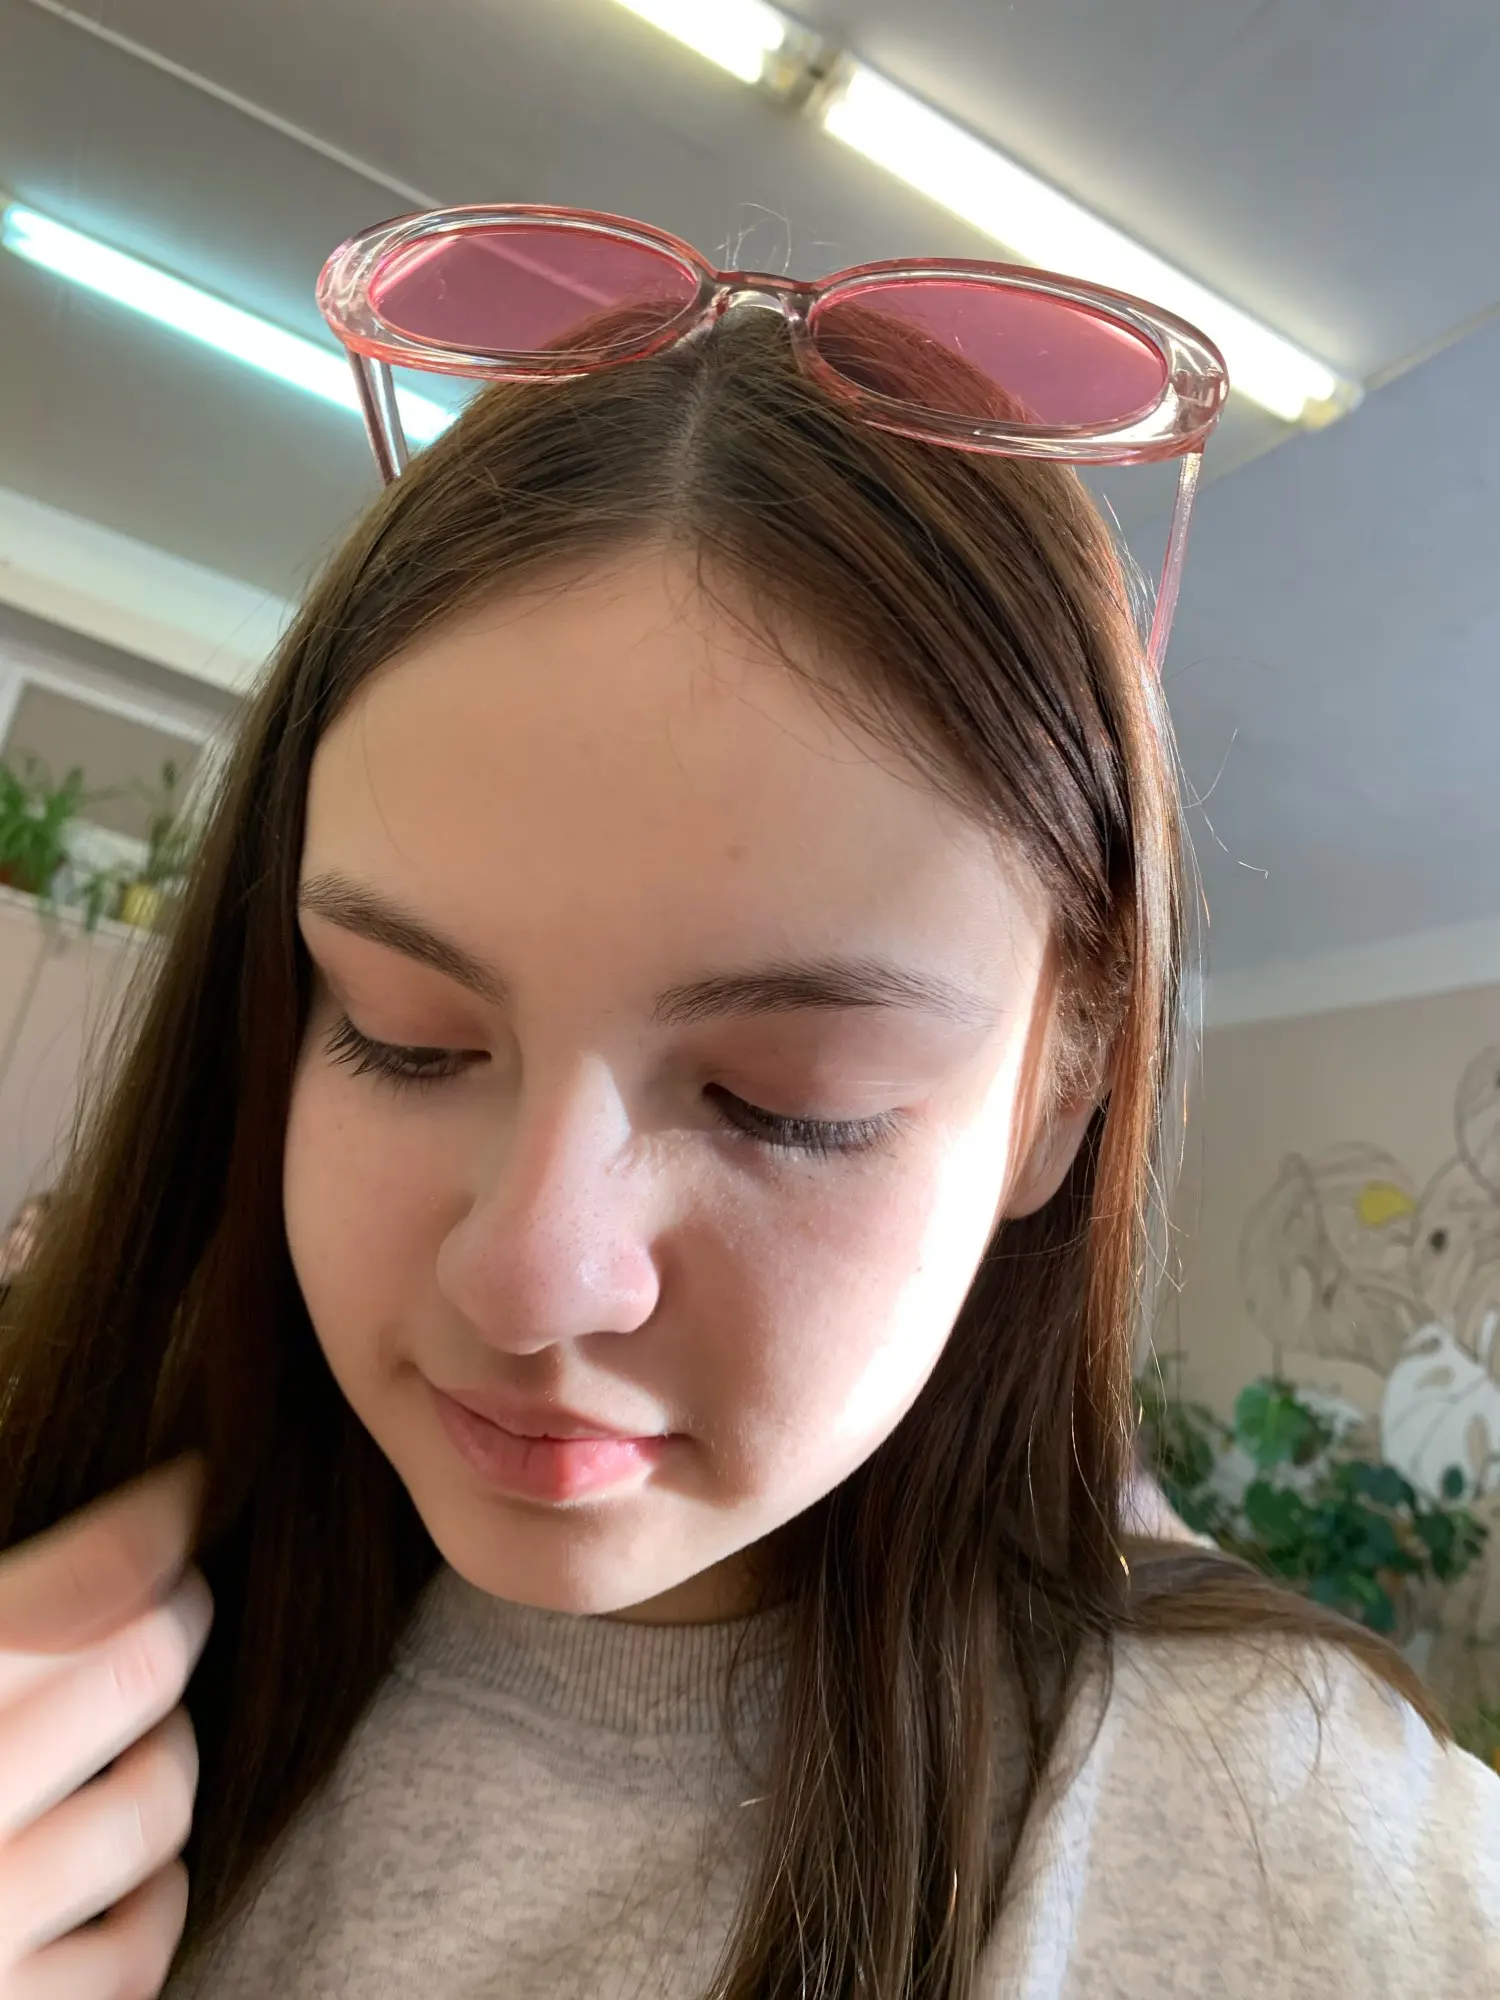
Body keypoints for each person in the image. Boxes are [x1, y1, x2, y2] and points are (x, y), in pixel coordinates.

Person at [0, 207, 1494, 2000]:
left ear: (1060, 1093)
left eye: (786, 1103)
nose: (530, 1277)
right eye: (405, 1037)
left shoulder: (1314, 1852)